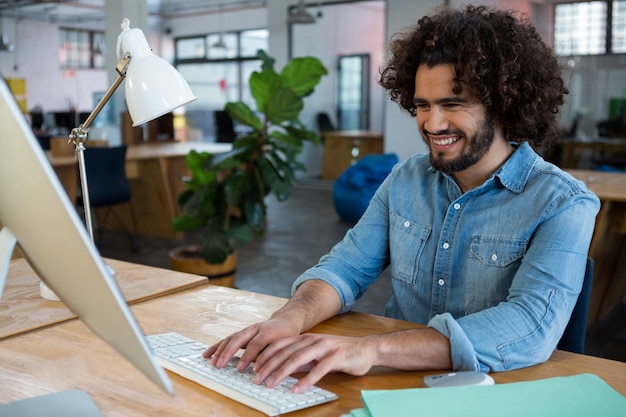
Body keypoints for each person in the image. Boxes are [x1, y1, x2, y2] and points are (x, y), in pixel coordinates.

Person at [204, 4, 600, 393]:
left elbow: (529, 326)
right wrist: (289, 319)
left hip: (496, 391)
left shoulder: (563, 203)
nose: (432, 123)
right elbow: (345, 269)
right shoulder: (406, 179)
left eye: (452, 104)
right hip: (395, 384)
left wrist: (372, 349)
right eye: (423, 105)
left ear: (504, 102)